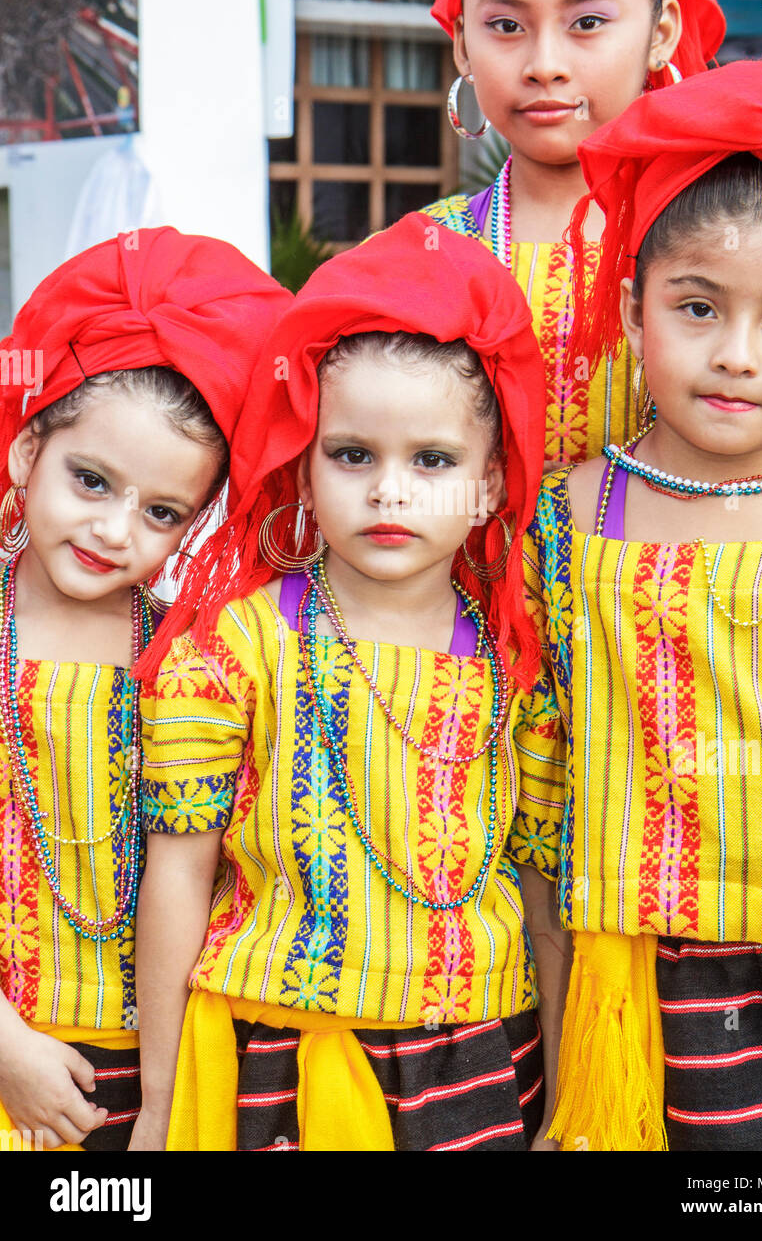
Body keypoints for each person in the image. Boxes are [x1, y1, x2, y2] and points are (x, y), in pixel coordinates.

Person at [130, 213, 569, 1153]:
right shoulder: (235, 646)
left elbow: (540, 883)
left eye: (433, 461)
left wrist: (565, 1099)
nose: (389, 491)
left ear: (492, 483)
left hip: (480, 1061)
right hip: (272, 1064)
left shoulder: (514, 663)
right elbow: (179, 870)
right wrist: (162, 1110)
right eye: (354, 454)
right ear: (304, 459)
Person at [524, 56, 762, 1150]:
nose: (732, 354)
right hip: (610, 982)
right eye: (695, 306)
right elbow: (529, 768)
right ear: (631, 312)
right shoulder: (562, 522)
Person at [0, 227, 292, 1151]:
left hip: (148, 1066)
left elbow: (197, 871)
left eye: (160, 511)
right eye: (90, 479)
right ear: (25, 452)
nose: (113, 528)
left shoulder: (187, 656)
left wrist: (165, 1110)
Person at [424, 0, 725, 467]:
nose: (544, 63)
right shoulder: (421, 253)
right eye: (505, 25)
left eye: (587, 21)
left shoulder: (731, 244)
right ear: (462, 43)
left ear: (661, 32)